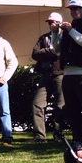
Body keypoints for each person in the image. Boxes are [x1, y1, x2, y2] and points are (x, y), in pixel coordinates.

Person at [52, 0, 82, 146]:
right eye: (71, 9)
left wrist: (71, 31)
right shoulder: (69, 27)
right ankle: (78, 139)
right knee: (72, 111)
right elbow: (57, 48)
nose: (74, 12)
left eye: (76, 8)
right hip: (68, 74)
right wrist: (55, 33)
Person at [30, 13, 65, 143]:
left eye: (53, 22)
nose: (51, 25)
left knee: (60, 105)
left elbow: (59, 52)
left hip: (60, 74)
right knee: (37, 104)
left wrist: (47, 52)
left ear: (60, 23)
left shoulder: (65, 37)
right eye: (49, 23)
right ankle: (40, 136)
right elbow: (35, 53)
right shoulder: (44, 38)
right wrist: (50, 51)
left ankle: (58, 135)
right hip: (45, 74)